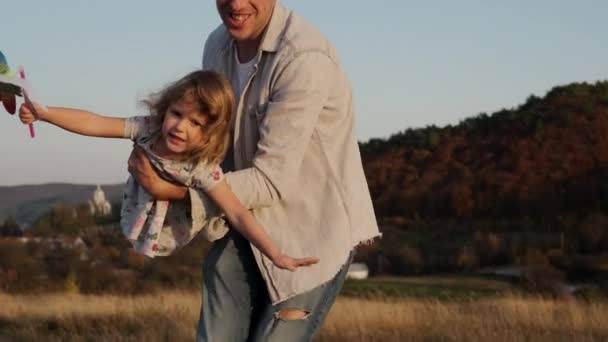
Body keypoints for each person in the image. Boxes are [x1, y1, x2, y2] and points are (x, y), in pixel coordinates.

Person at [127, 1, 381, 340]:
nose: (235, 3)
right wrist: (156, 155)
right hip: (244, 222)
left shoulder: (304, 58)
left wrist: (170, 191)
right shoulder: (217, 45)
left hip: (310, 236)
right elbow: (212, 142)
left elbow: (269, 180)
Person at [17, 69, 318, 271]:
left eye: (196, 123)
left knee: (222, 214)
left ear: (210, 133)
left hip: (170, 231)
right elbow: (96, 123)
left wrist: (276, 254)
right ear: (165, 108)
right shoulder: (148, 129)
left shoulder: (202, 167)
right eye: (176, 114)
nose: (180, 127)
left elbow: (239, 212)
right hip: (135, 215)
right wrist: (45, 114)